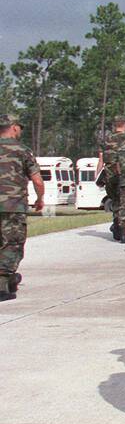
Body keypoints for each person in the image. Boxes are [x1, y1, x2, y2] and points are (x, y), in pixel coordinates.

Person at [0, 114, 43, 302]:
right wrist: (40, 198)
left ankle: (9, 279)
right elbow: (37, 180)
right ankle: (3, 284)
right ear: (14, 127)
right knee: (12, 244)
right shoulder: (22, 150)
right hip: (13, 206)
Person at [98, 116, 125, 240]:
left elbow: (101, 160)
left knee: (116, 202)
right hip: (123, 175)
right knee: (124, 204)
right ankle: (122, 231)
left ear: (115, 126)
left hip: (109, 176)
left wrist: (97, 176)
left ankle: (116, 227)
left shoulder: (105, 140)